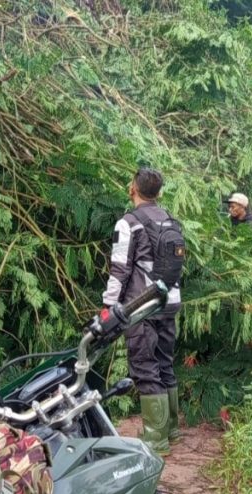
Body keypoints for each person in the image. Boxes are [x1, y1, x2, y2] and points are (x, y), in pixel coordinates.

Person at [102, 168, 182, 453]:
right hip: (170, 302)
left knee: (145, 367)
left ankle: (155, 438)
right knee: (164, 363)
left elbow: (120, 269)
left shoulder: (129, 223)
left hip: (143, 306)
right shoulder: (171, 221)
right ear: (159, 193)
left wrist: (109, 306)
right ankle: (171, 430)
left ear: (132, 188)